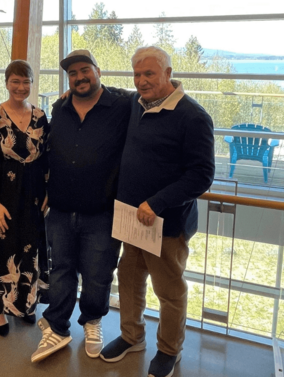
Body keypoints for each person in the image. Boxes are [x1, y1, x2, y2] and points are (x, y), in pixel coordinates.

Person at [100, 46, 215, 377]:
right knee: (130, 279)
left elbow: (201, 175)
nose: (141, 81)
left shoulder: (193, 117)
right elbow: (105, 92)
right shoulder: (136, 105)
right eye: (137, 74)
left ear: (168, 73)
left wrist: (158, 202)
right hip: (131, 219)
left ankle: (169, 349)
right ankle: (132, 336)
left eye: (149, 73)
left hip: (166, 224)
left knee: (169, 290)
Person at [31, 50, 131, 363]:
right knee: (62, 271)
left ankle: (92, 321)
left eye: (84, 70)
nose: (79, 77)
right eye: (72, 74)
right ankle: (58, 327)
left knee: (98, 274)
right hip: (60, 210)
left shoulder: (121, 105)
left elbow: (148, 95)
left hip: (101, 211)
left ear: (98, 71)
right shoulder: (59, 107)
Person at [0, 60, 49, 337]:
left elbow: (48, 157)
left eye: (26, 81)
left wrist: (48, 192)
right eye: (15, 81)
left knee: (29, 250)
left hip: (32, 197)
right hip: (2, 196)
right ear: (6, 83)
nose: (20, 87)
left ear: (31, 83)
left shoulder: (41, 116)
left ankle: (24, 305)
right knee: (2, 250)